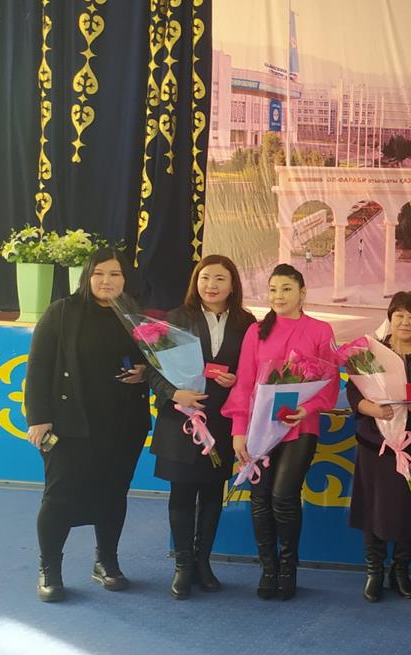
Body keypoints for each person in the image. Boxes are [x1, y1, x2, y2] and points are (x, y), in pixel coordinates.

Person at [25, 247, 151, 602]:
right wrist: (38, 418)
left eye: (115, 274)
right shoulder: (62, 311)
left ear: (125, 279)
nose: (106, 281)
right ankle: (50, 568)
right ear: (87, 276)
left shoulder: (135, 315)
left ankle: (106, 562)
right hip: (69, 425)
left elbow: (157, 362)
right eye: (99, 273)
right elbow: (38, 366)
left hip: (123, 424)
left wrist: (146, 371)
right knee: (59, 496)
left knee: (113, 494)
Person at [222, 263, 339, 601]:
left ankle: (288, 568)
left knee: (283, 497)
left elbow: (330, 381)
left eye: (286, 289)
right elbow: (245, 383)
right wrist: (239, 430)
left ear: (302, 293)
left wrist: (308, 408)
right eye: (273, 289)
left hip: (300, 427)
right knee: (259, 499)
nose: (278, 296)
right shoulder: (256, 331)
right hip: (260, 428)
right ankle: (268, 569)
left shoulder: (320, 330)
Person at [147, 255, 255, 599]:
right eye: (205, 277)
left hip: (222, 422)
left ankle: (203, 562)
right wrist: (174, 393)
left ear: (233, 285)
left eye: (220, 279)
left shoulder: (247, 323)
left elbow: (251, 371)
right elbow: (154, 370)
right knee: (181, 493)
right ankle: (182, 565)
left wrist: (237, 379)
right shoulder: (177, 318)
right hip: (181, 420)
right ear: (196, 281)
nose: (211, 285)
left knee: (211, 494)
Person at [346, 291, 411, 602]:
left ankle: (401, 569)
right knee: (373, 509)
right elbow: (353, 391)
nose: (405, 322)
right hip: (377, 446)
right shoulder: (371, 350)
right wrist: (371, 409)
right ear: (390, 318)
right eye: (399, 315)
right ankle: (374, 570)